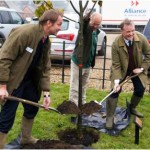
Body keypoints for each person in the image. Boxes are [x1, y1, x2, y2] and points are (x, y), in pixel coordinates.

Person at [0, 9, 63, 148]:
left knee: (31, 108)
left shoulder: (46, 40)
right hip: (14, 80)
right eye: (59, 24)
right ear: (48, 23)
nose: (60, 27)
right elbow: (4, 58)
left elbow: (45, 66)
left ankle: (26, 138)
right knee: (7, 117)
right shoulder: (25, 33)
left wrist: (46, 92)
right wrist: (2, 86)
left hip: (29, 81)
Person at [106, 18, 150, 130]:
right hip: (122, 70)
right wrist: (116, 82)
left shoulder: (141, 38)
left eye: (132, 31)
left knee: (140, 89)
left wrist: (141, 68)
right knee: (114, 91)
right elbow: (116, 65)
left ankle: (132, 108)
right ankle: (110, 117)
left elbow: (149, 55)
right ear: (122, 31)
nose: (131, 34)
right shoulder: (116, 43)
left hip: (136, 68)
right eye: (128, 32)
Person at [69, 12, 102, 106]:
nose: (95, 26)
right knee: (75, 86)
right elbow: (82, 23)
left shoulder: (95, 31)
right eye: (94, 23)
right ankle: (73, 106)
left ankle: (82, 104)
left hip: (87, 64)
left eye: (97, 24)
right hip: (78, 62)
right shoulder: (85, 29)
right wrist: (87, 16)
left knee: (83, 86)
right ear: (90, 20)